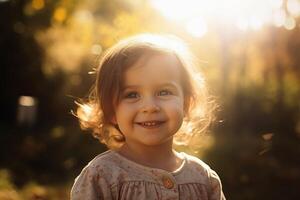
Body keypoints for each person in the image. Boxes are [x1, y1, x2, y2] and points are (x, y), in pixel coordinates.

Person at [71, 34, 226, 200]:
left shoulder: (203, 178)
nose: (150, 107)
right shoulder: (101, 177)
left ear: (186, 103)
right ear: (111, 110)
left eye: (164, 92)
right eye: (132, 95)